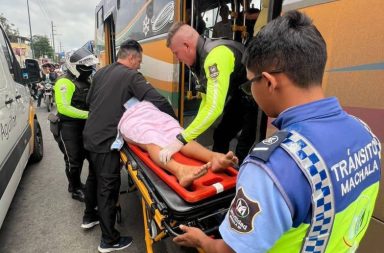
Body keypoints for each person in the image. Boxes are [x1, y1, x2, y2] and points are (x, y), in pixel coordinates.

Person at [172, 11, 381, 252]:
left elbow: (230, 250)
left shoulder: (272, 168)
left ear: (269, 82)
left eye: (250, 83)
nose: (250, 90)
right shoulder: (365, 135)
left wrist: (202, 241)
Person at [82, 39, 176, 253]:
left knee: (93, 177)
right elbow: (158, 100)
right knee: (108, 187)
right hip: (106, 140)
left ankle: (89, 217)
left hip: (89, 135)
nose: (140, 65)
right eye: (140, 61)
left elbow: (89, 101)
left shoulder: (101, 73)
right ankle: (109, 240)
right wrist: (173, 126)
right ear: (132, 57)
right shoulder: (132, 76)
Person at [162, 22, 259, 164]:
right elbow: (206, 102)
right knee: (221, 135)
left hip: (258, 98)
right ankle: (221, 166)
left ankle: (238, 177)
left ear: (187, 46)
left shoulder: (215, 57)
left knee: (245, 146)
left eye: (176, 53)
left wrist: (182, 139)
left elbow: (214, 107)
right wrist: (191, 133)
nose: (177, 59)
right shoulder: (202, 57)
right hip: (242, 95)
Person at [116, 98, 238, 187]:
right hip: (128, 118)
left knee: (178, 135)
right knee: (151, 137)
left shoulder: (126, 83)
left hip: (149, 110)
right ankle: (179, 170)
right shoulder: (120, 90)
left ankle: (212, 157)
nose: (139, 62)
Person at [51, 47, 98, 202]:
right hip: (67, 127)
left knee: (87, 155)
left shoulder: (86, 79)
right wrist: (90, 115)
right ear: (74, 66)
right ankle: (75, 189)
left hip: (84, 125)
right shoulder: (64, 82)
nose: (88, 70)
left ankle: (79, 184)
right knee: (73, 160)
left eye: (90, 67)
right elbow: (64, 108)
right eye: (85, 67)